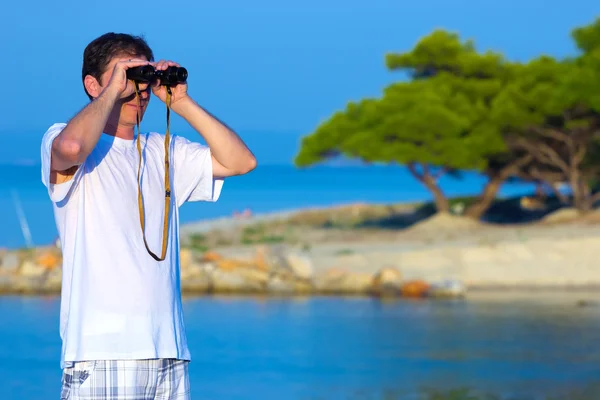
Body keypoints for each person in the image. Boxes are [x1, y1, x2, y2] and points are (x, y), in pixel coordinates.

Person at [40, 32, 257, 399]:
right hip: (103, 353)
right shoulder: (60, 138)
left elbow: (241, 162)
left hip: (168, 352)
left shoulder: (163, 150)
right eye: (127, 75)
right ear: (92, 84)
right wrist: (112, 92)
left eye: (142, 78)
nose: (138, 89)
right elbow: (72, 148)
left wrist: (182, 103)